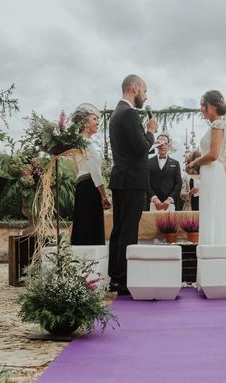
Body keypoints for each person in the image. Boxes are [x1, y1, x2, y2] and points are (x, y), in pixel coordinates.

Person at [108, 74, 158, 295]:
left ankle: (116, 277)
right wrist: (151, 132)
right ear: (135, 88)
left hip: (121, 178)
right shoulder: (128, 113)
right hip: (132, 181)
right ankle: (124, 280)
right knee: (128, 230)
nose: (145, 97)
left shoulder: (116, 113)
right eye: (145, 91)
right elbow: (140, 148)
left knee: (119, 229)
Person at [186, 90, 226, 245]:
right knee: (210, 212)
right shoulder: (215, 125)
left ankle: (215, 248)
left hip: (213, 173)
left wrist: (194, 163)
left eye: (203, 104)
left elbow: (214, 155)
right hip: (210, 173)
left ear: (213, 106)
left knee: (213, 212)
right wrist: (197, 154)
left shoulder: (217, 124)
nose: (201, 108)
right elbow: (212, 152)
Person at [70, 103, 111, 245]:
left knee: (83, 225)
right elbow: (95, 172)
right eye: (94, 119)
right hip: (89, 186)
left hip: (81, 185)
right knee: (91, 227)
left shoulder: (77, 142)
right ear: (85, 122)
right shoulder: (86, 144)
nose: (98, 122)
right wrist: (104, 196)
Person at [148, 133, 182, 211]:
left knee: (169, 223)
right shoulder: (148, 162)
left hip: (170, 204)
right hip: (152, 203)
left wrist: (170, 199)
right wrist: (154, 198)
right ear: (156, 145)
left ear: (169, 146)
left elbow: (178, 183)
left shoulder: (175, 163)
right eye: (160, 143)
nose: (163, 145)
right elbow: (146, 182)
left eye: (165, 143)